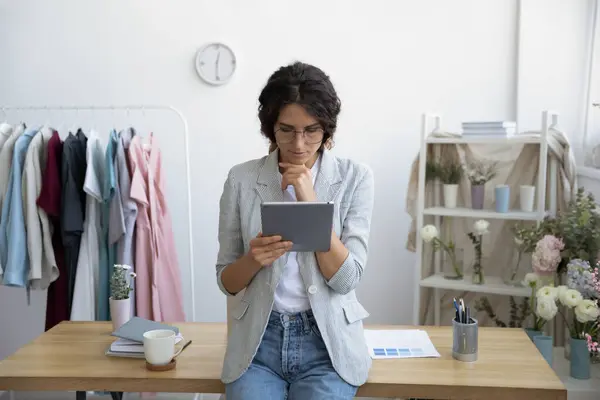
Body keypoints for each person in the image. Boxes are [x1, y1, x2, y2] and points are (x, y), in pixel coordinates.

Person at [215, 61, 375, 399]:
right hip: (259, 346)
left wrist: (309, 200)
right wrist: (253, 259)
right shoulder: (241, 179)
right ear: (270, 127)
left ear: (327, 130)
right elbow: (227, 282)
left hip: (327, 345)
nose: (299, 144)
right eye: (286, 129)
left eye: (312, 130)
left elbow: (346, 280)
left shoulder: (355, 178)